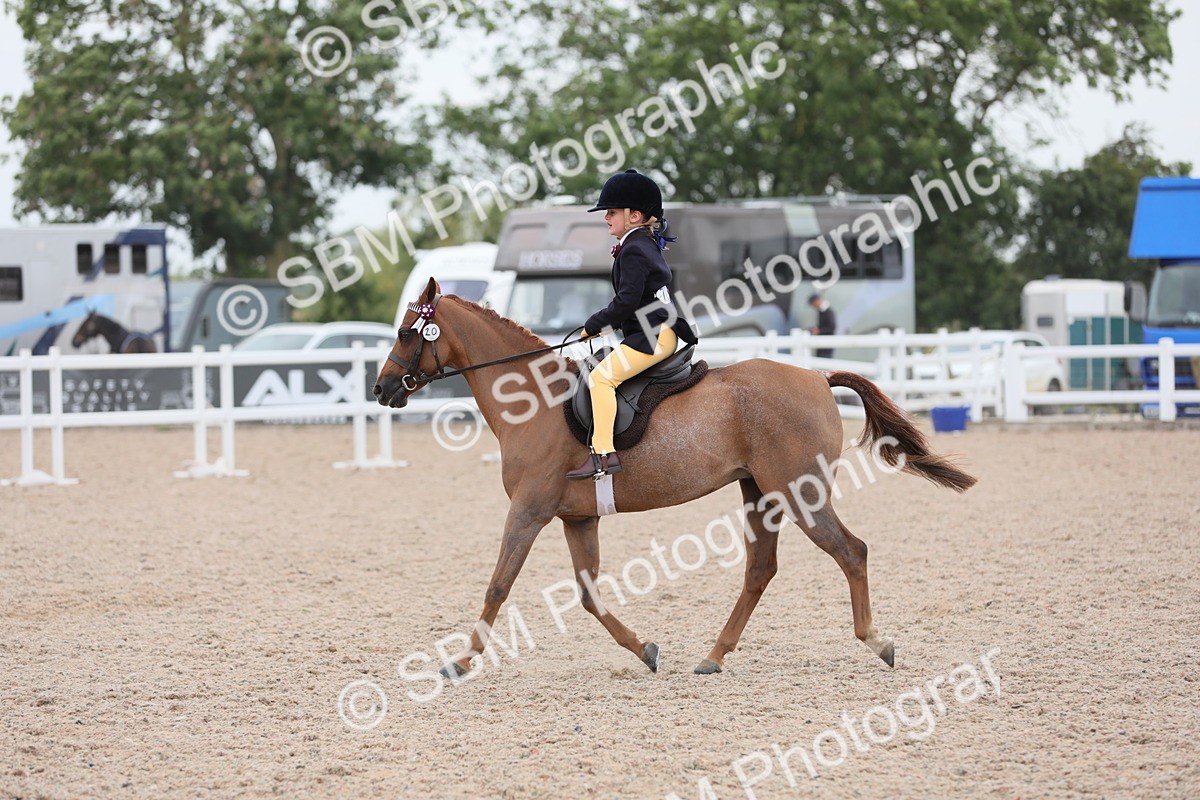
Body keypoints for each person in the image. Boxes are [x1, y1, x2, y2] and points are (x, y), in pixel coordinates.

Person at [566, 168, 698, 479]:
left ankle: (603, 455)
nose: (606, 218)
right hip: (656, 330)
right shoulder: (642, 243)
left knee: (601, 379)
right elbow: (636, 304)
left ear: (635, 215)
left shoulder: (634, 249)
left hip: (652, 337)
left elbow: (626, 301)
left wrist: (594, 324)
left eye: (612, 212)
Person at [808, 293, 837, 360]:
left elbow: (832, 327)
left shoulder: (828, 312)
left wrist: (819, 331)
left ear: (817, 301)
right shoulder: (822, 311)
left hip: (827, 343)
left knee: (824, 362)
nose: (813, 307)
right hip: (822, 343)